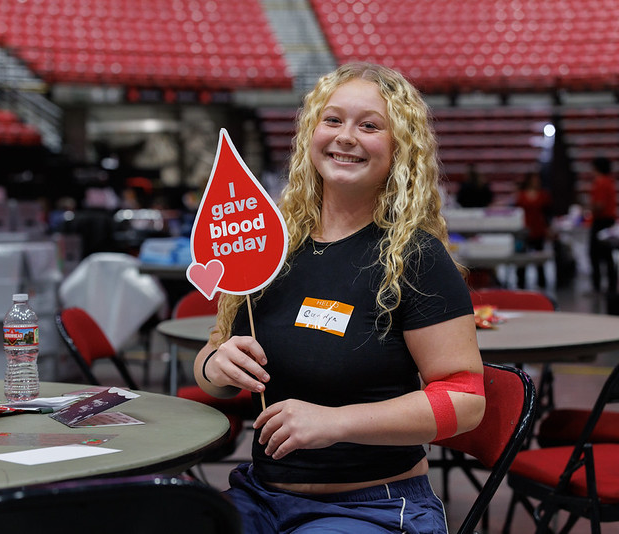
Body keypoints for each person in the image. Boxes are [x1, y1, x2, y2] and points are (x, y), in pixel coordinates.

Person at [193, 62, 485, 533]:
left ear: (399, 149)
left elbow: (466, 402)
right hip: (260, 498)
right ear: (312, 133)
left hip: (374, 506)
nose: (346, 136)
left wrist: (335, 423)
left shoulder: (415, 255)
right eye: (332, 120)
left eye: (369, 125)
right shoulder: (274, 245)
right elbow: (211, 360)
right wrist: (215, 365)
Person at [515, 171, 552, 289]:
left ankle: (542, 282)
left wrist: (548, 228)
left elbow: (547, 214)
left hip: (538, 229)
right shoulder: (521, 195)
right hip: (525, 230)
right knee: (522, 258)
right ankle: (521, 283)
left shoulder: (543, 195)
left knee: (539, 258)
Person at [588, 156, 617, 294]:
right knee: (607, 255)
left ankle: (597, 286)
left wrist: (588, 208)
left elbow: (599, 205)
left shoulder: (600, 182)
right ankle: (612, 285)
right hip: (609, 220)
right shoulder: (609, 182)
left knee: (595, 254)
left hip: (601, 221)